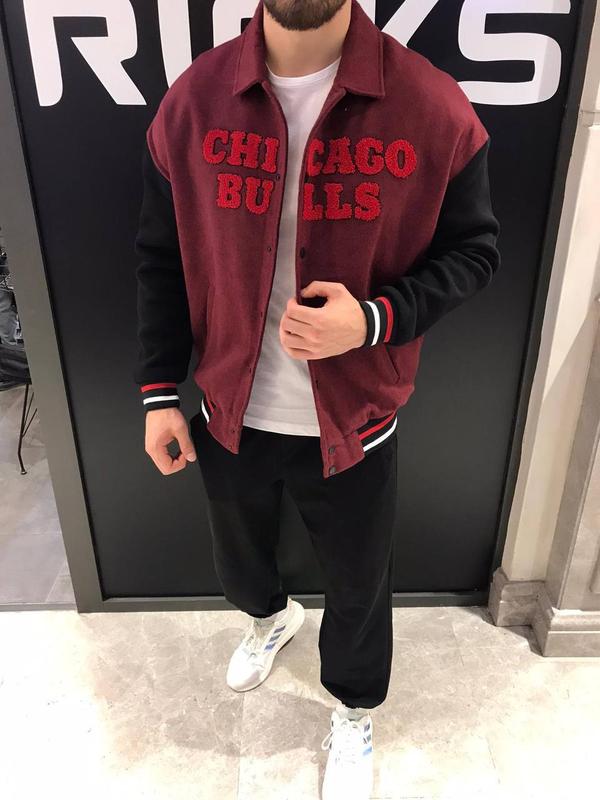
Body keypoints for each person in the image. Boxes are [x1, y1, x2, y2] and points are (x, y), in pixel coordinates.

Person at [133, 1, 501, 796]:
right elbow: (161, 256)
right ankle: (269, 618)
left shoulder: (430, 106)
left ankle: (355, 708)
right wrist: (160, 392)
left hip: (356, 421)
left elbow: (476, 251)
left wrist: (371, 321)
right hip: (229, 411)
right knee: (239, 562)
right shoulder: (195, 100)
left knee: (360, 585)